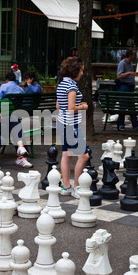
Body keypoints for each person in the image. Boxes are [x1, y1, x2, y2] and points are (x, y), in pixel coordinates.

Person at [56, 56, 89, 199]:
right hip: (71, 124)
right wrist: (83, 106)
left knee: (66, 155)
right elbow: (71, 108)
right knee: (84, 156)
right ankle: (76, 187)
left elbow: (58, 106)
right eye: (81, 70)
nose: (82, 73)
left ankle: (66, 186)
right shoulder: (72, 86)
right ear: (75, 71)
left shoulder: (62, 84)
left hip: (62, 123)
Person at [116, 48, 138, 131]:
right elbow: (119, 76)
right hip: (124, 87)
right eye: (134, 54)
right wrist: (129, 73)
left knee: (131, 107)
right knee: (124, 106)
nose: (136, 56)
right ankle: (121, 124)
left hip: (130, 87)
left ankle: (135, 125)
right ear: (130, 55)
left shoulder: (130, 63)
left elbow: (130, 74)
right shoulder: (122, 63)